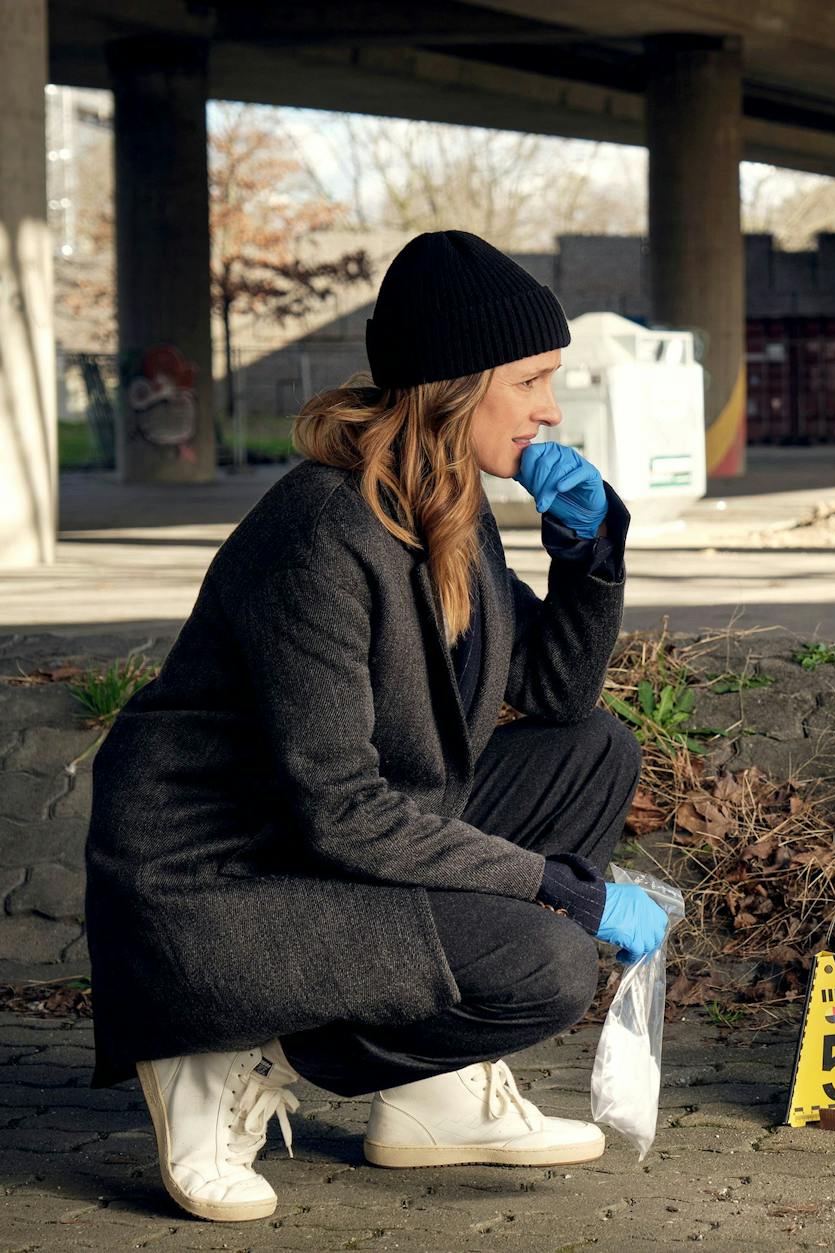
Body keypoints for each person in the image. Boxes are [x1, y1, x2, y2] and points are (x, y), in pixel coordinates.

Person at [84, 231, 672, 1224]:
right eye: (529, 379)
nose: (551, 408)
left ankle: (429, 1093)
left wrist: (588, 550)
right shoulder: (320, 533)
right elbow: (342, 815)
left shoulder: (448, 501)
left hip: (323, 843)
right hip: (223, 884)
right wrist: (556, 890)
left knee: (593, 752)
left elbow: (558, 695)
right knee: (550, 960)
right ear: (455, 381)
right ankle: (219, 1049)